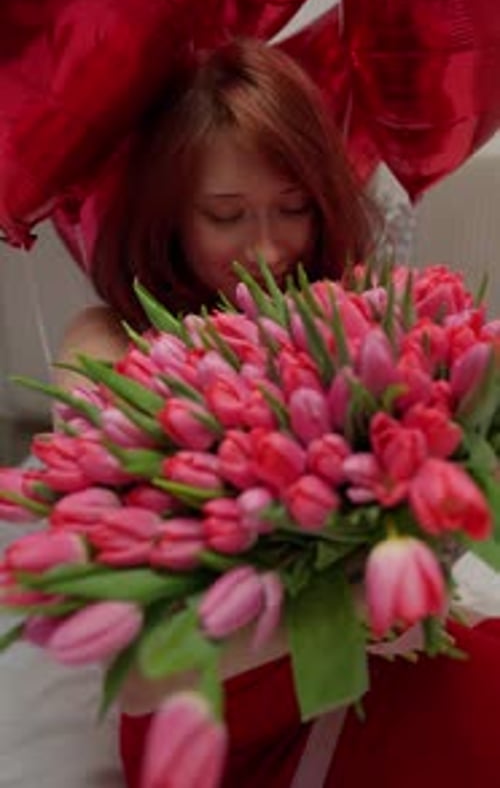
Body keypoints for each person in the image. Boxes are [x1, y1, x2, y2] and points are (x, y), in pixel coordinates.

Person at [58, 39, 500, 788]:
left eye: (293, 208)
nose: (267, 250)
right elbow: (140, 674)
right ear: (170, 217)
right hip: (220, 710)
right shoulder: (105, 347)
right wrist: (355, 601)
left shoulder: (349, 317)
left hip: (376, 658)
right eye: (226, 216)